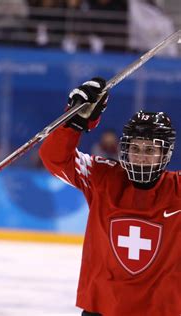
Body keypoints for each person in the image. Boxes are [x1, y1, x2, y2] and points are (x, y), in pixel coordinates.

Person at [39, 78, 180, 315]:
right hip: (102, 309)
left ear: (165, 153)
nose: (141, 157)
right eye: (135, 148)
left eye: (150, 150)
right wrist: (75, 121)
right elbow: (54, 158)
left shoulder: (177, 188)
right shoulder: (102, 176)